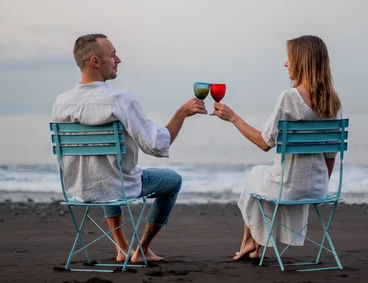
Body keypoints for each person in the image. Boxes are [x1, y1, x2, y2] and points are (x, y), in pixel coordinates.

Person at [52, 34, 207, 263]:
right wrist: (182, 113)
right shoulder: (119, 100)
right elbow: (157, 145)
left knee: (105, 172)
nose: (119, 60)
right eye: (113, 55)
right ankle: (142, 248)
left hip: (79, 188)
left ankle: (122, 246)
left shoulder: (61, 102)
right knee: (172, 180)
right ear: (95, 61)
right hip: (116, 187)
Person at [213, 35, 342, 260]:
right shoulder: (334, 102)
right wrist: (318, 186)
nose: (285, 63)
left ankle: (250, 242)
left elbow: (264, 143)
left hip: (289, 187)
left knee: (256, 175)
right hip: (319, 189)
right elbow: (331, 155)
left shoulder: (290, 97)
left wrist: (234, 118)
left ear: (301, 61)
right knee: (268, 179)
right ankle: (252, 243)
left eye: (289, 58)